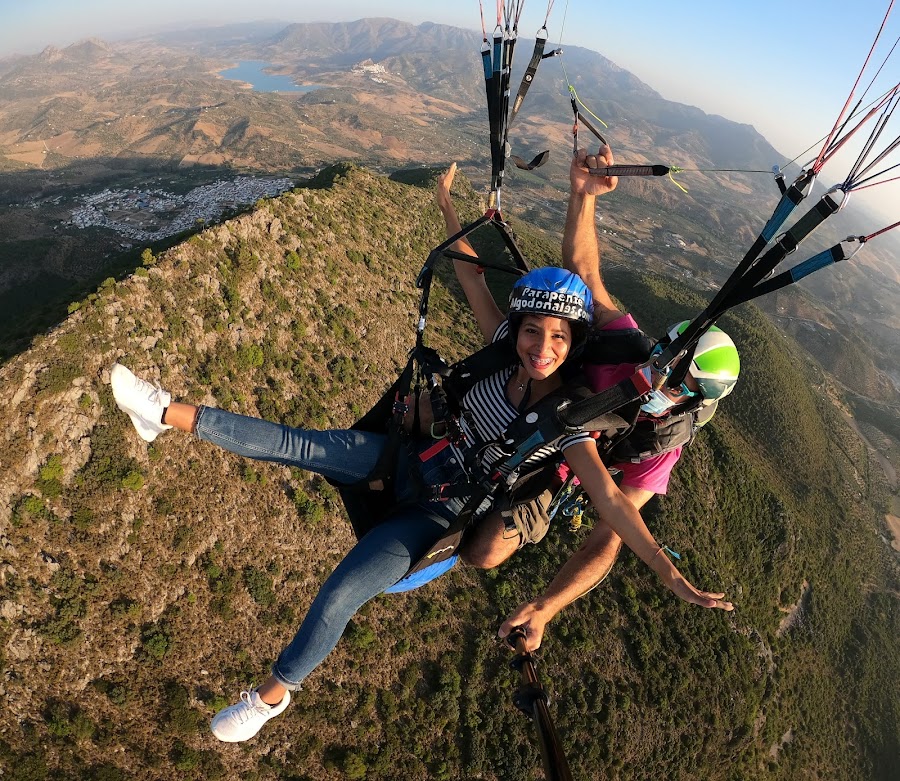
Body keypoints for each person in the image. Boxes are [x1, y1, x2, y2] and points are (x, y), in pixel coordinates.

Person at [110, 168, 731, 744]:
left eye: (559, 338)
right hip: (410, 456)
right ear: (519, 332)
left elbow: (612, 504)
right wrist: (445, 205)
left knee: (342, 591)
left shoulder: (572, 422)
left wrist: (667, 572)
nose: (542, 346)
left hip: (442, 511)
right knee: (299, 443)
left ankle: (270, 697)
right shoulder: (502, 350)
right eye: (534, 332)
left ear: (575, 346)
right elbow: (470, 276)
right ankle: (162, 412)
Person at [494, 145, 740, 650]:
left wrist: (546, 606)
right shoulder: (628, 346)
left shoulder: (661, 447)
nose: (658, 373)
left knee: (487, 549)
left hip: (561, 454)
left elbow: (609, 533)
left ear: (693, 403)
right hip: (532, 394)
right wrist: (583, 197)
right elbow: (584, 272)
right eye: (664, 357)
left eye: (674, 380)